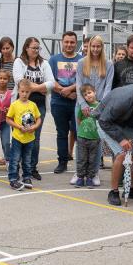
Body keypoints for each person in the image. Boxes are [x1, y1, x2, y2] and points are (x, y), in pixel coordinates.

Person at [12, 36, 56, 179]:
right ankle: (16, 166)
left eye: (38, 48)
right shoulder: (19, 62)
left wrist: (35, 88)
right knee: (19, 136)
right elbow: (20, 81)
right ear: (26, 48)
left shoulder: (44, 63)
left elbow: (52, 83)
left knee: (34, 138)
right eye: (33, 48)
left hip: (38, 106)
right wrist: (41, 88)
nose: (36, 50)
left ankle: (32, 168)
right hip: (21, 106)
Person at [48, 31, 82, 175]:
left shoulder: (82, 60)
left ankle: (82, 165)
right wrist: (66, 91)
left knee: (80, 133)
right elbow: (50, 80)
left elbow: (83, 80)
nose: (69, 44)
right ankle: (62, 162)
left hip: (77, 102)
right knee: (62, 133)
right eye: (66, 42)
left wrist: (71, 89)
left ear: (76, 43)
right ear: (62, 42)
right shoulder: (54, 59)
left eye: (72, 42)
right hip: (58, 102)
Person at [6, 79, 42, 190]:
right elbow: (8, 119)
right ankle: (13, 179)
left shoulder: (33, 105)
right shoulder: (15, 105)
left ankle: (26, 177)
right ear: (18, 91)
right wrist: (18, 127)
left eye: (27, 92)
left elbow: (38, 118)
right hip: (18, 138)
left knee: (27, 159)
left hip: (30, 138)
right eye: (22, 91)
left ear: (30, 92)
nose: (24, 94)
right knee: (15, 159)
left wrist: (34, 127)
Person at [74, 84, 102, 188]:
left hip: (94, 138)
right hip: (82, 137)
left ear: (95, 92)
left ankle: (90, 178)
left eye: (89, 92)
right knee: (82, 158)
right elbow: (79, 119)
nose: (88, 95)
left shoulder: (100, 106)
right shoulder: (83, 107)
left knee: (92, 159)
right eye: (85, 95)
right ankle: (80, 177)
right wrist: (82, 129)